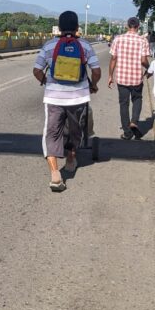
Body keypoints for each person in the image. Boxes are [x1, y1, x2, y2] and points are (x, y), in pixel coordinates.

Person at [33, 11, 101, 192]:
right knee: (75, 130)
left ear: (60, 28)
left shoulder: (49, 45)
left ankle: (55, 175)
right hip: (78, 98)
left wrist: (46, 81)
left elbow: (37, 70)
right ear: (77, 28)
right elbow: (96, 71)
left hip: (54, 98)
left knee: (52, 134)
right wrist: (93, 85)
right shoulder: (85, 45)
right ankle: (71, 157)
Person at [107, 17, 151, 139]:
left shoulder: (118, 39)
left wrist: (110, 75)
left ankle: (127, 132)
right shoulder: (142, 40)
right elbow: (143, 60)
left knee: (123, 104)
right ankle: (134, 122)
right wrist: (150, 67)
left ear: (127, 26)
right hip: (136, 78)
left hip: (122, 78)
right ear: (138, 26)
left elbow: (114, 58)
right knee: (137, 99)